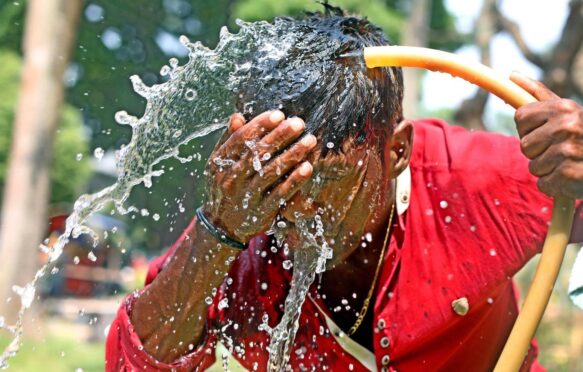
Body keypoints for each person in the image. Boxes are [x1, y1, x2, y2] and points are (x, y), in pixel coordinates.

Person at [105, 11, 583, 372]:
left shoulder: (475, 181)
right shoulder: (239, 228)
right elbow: (133, 362)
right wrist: (217, 231)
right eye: (281, 180)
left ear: (397, 152)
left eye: (328, 182)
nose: (297, 210)